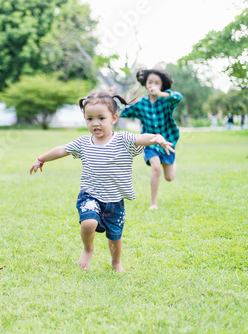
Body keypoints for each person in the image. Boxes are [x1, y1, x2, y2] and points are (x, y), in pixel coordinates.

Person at [29, 91, 175, 272]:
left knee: (115, 236)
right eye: (89, 119)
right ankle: (88, 249)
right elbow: (62, 150)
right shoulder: (83, 143)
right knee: (89, 222)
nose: (95, 123)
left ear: (114, 118)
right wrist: (41, 158)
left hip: (115, 200)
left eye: (101, 118)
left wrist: (157, 138)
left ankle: (116, 262)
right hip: (90, 195)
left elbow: (142, 138)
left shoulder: (123, 139)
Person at [119, 69, 182, 210]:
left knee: (169, 177)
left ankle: (173, 157)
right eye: (150, 82)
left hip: (167, 142)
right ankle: (153, 202)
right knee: (156, 168)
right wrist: (112, 98)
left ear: (162, 85)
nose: (153, 85)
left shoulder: (166, 101)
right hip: (150, 142)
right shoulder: (141, 105)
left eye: (157, 83)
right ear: (146, 85)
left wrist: (160, 94)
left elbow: (178, 97)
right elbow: (122, 112)